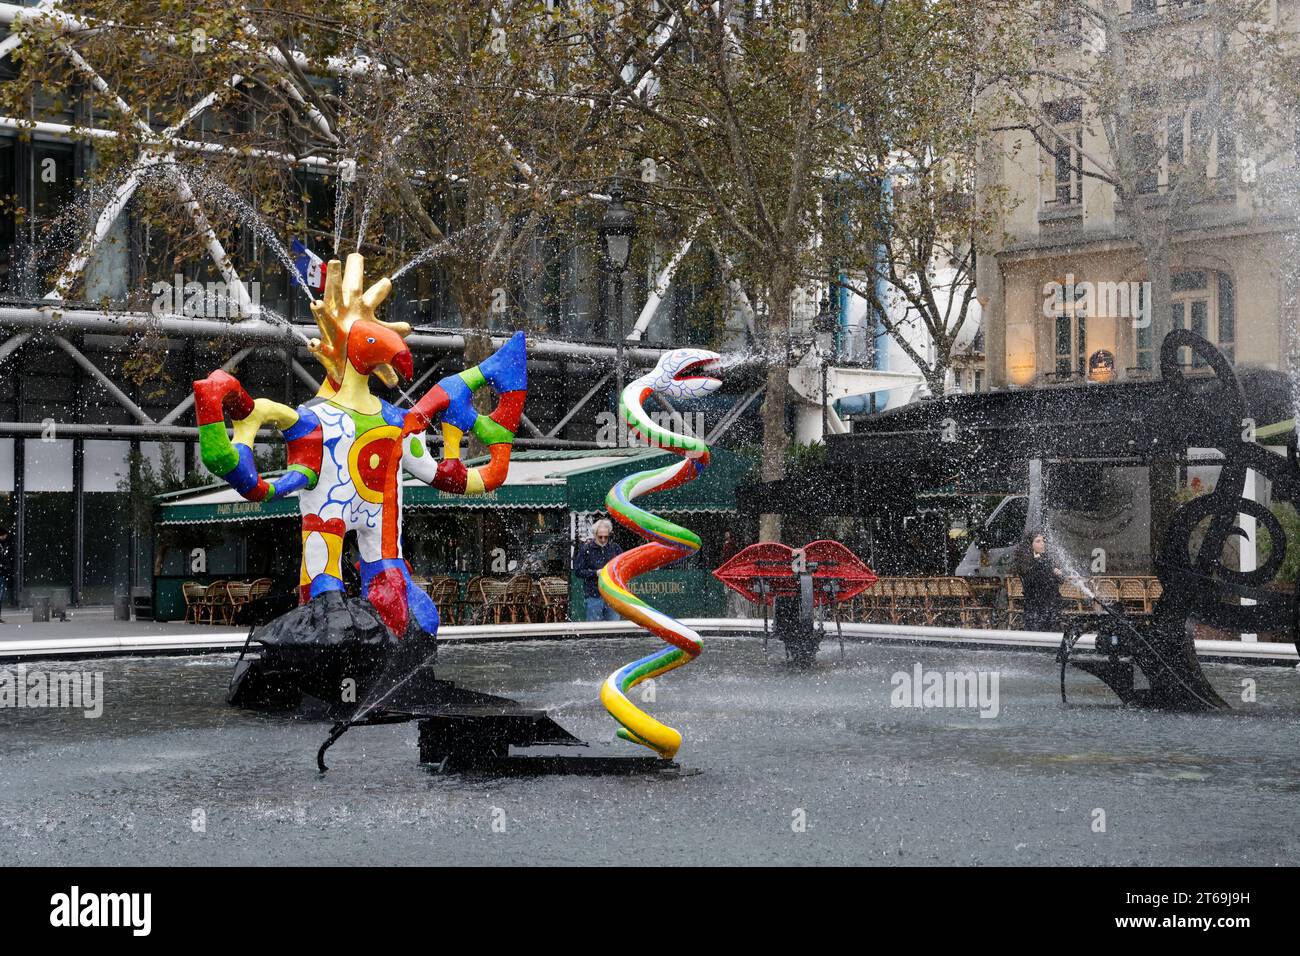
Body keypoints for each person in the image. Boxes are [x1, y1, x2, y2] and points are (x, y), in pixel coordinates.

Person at [573, 519, 623, 622]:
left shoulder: (615, 548)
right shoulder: (586, 549)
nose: (603, 540)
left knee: (614, 629)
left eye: (606, 537)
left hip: (612, 595)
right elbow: (578, 571)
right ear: (595, 534)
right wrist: (595, 573)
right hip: (593, 595)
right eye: (600, 537)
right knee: (594, 630)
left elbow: (622, 567)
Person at [1016, 532, 1064, 631]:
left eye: (1043, 541)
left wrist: (1058, 574)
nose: (1042, 544)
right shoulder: (1027, 562)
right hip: (1035, 605)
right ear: (1030, 545)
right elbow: (1032, 581)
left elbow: (1060, 580)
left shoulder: (1047, 559)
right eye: (1038, 541)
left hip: (1051, 603)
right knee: (1037, 632)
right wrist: (1039, 564)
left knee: (1052, 632)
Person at [0, 527, 12, 623]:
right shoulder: (3, 545)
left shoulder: (4, 545)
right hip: (1, 572)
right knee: (0, 595)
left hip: (2, 572)